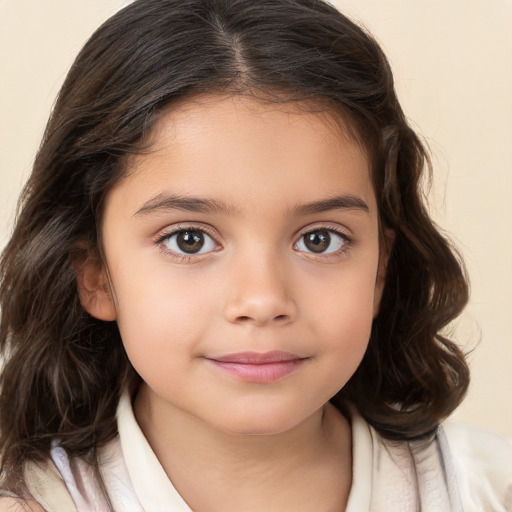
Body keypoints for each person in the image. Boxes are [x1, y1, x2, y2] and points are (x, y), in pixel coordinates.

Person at [0, 0, 510, 510]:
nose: (263, 300)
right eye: (189, 240)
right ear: (95, 275)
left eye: (319, 239)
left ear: (379, 269)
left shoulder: (489, 490)